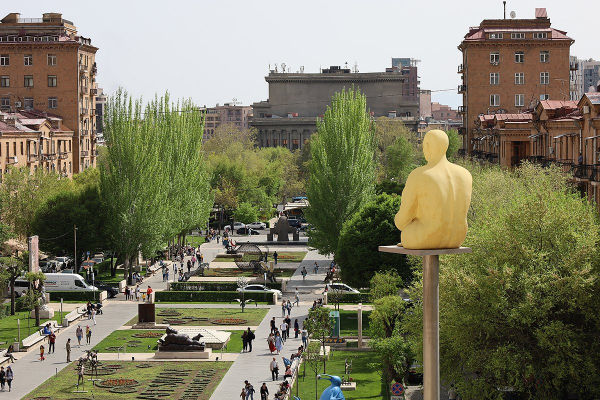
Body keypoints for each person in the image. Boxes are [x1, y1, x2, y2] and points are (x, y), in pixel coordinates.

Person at [394, 129, 472, 249]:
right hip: (457, 238)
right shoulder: (465, 174)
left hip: (424, 237)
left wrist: (399, 221)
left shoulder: (419, 174)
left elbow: (403, 220)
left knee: (406, 229)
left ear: (427, 146)